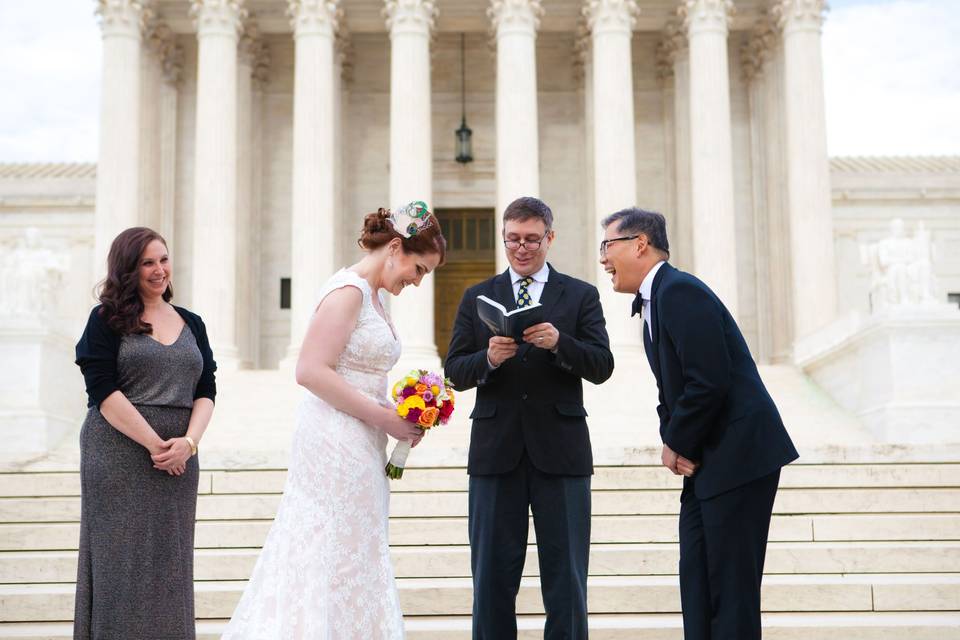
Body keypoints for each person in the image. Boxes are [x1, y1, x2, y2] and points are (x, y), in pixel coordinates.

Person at [222, 202, 446, 639]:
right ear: (396, 248)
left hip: (361, 440)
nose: (417, 282)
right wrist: (387, 418)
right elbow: (309, 370)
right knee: (332, 551)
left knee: (353, 553)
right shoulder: (349, 291)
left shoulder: (375, 298)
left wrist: (402, 411)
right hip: (334, 442)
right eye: (418, 269)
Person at [598, 208, 799, 640]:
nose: (602, 260)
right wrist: (673, 436)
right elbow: (669, 388)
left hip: (741, 455)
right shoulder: (655, 301)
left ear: (639, 244)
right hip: (712, 457)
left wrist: (676, 442)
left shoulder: (680, 291)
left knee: (730, 590)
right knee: (698, 579)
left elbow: (708, 380)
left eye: (607, 246)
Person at [445, 196, 614, 639]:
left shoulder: (581, 295)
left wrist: (561, 343)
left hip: (561, 452)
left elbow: (602, 365)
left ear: (550, 238)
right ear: (504, 238)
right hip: (495, 453)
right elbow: (455, 371)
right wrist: (488, 358)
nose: (522, 248)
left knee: (567, 579)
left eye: (532, 239)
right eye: (513, 240)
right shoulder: (476, 296)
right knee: (491, 580)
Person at [74, 227, 217, 639]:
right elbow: (101, 389)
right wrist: (157, 445)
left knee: (170, 567)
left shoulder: (192, 322)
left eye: (163, 260)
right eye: (147, 263)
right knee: (121, 564)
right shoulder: (106, 319)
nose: (159, 270)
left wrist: (188, 444)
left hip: (179, 458)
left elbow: (206, 389)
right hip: (119, 454)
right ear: (128, 269)